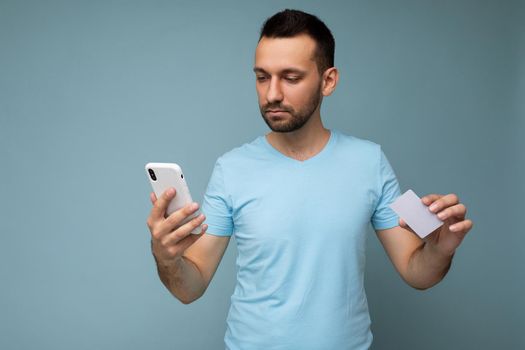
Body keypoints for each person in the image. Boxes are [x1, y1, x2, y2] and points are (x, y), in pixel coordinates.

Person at [146, 9, 473, 350]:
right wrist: (165, 256)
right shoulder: (232, 169)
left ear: (328, 80)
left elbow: (416, 271)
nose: (272, 93)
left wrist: (439, 249)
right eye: (262, 77)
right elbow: (190, 287)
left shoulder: (370, 161)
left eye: (290, 77)